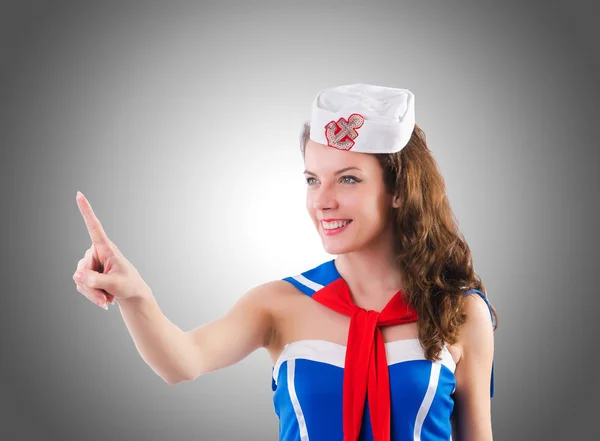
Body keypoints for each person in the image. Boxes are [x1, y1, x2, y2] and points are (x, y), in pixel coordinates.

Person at [72, 83, 498, 441]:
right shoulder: (277, 303)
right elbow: (181, 361)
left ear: (398, 190)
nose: (322, 201)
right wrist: (135, 296)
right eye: (313, 180)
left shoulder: (459, 312)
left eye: (347, 179)